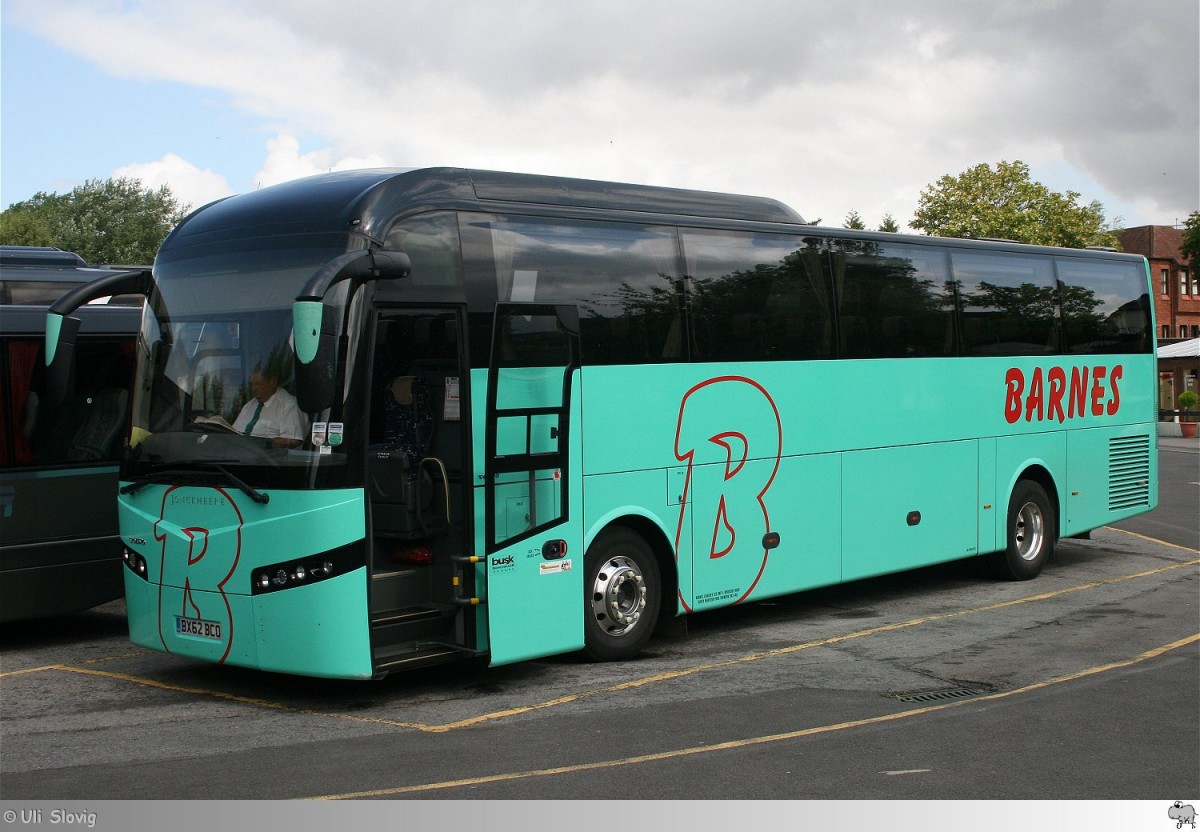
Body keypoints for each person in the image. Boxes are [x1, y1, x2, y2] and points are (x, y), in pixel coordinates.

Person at [232, 369, 307, 448]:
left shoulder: (289, 405)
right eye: (252, 384)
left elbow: (293, 440)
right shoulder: (249, 405)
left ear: (273, 382)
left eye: (258, 384)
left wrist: (259, 444)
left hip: (271, 458)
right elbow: (234, 431)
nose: (254, 389)